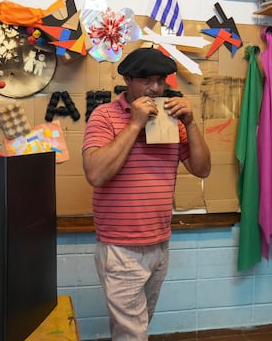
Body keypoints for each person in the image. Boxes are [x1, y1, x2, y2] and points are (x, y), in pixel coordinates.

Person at [82, 47, 211, 340]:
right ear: (128, 79)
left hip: (159, 243)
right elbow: (95, 174)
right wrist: (135, 123)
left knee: (140, 324)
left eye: (161, 80)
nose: (155, 88)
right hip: (120, 246)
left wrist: (190, 123)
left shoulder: (170, 119)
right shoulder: (104, 116)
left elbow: (202, 169)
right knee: (132, 333)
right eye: (147, 80)